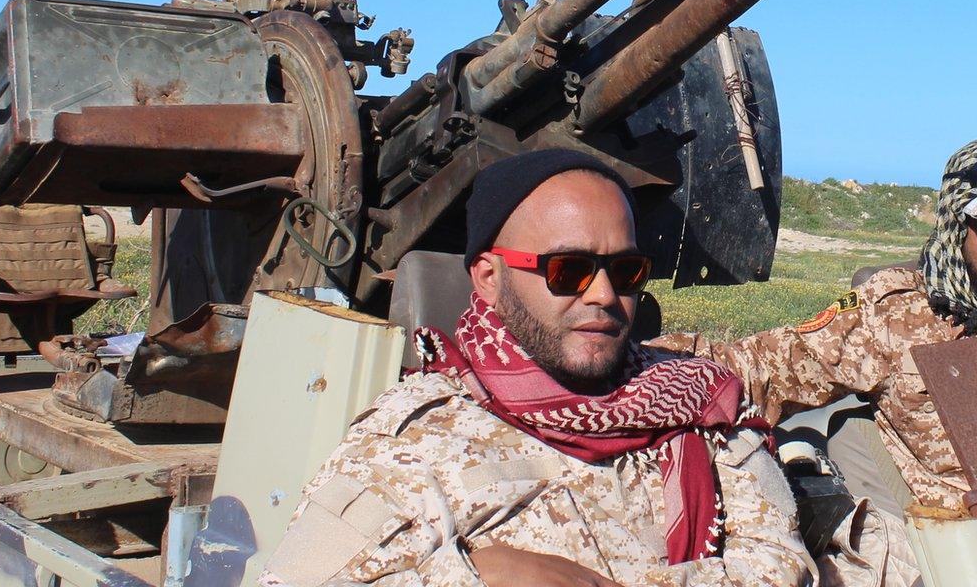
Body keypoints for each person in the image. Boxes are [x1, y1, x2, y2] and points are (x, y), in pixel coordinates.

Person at [262, 148, 813, 587]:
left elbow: (780, 568)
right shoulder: (417, 442)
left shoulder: (696, 403)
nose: (603, 294)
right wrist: (466, 578)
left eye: (625, 270)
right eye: (567, 269)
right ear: (488, 278)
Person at [665, 136, 977, 521]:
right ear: (957, 226)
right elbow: (759, 368)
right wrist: (640, 363)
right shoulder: (894, 316)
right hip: (955, 547)